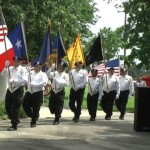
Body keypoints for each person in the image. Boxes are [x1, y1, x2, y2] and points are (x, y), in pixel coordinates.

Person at [1, 56, 27, 131]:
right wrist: (5, 67)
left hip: (18, 89)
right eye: (14, 61)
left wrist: (15, 81)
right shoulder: (10, 68)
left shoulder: (22, 69)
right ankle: (16, 120)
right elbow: (3, 75)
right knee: (8, 106)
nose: (15, 62)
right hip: (10, 89)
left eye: (17, 61)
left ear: (20, 62)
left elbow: (24, 81)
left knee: (16, 107)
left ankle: (14, 125)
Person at [22, 61, 48, 127]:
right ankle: (33, 115)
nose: (36, 67)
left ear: (41, 67)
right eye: (35, 66)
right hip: (29, 92)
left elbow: (43, 83)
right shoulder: (30, 73)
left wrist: (34, 85)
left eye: (38, 66)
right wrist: (26, 70)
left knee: (36, 107)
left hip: (38, 93)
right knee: (25, 105)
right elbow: (24, 78)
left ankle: (34, 121)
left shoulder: (43, 74)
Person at [48, 60, 69, 125]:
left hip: (60, 91)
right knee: (51, 106)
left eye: (62, 67)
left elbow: (66, 83)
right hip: (54, 91)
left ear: (64, 68)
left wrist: (58, 82)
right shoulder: (55, 73)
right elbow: (48, 74)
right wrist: (51, 68)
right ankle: (55, 113)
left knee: (59, 106)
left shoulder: (65, 75)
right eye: (59, 66)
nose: (60, 68)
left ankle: (57, 119)